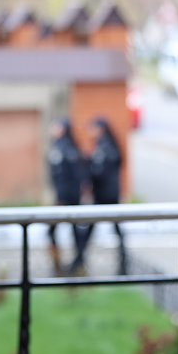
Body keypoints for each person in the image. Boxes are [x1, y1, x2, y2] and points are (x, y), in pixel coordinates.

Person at [46, 117, 89, 275]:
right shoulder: (71, 147)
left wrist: (61, 198)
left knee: (52, 231)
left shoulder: (61, 149)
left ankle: (61, 265)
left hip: (65, 198)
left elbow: (64, 176)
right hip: (72, 196)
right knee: (74, 230)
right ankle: (77, 263)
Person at [85, 117, 125, 275]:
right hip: (109, 193)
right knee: (115, 229)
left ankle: (79, 261)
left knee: (91, 228)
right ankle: (123, 263)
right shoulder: (108, 145)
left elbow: (99, 172)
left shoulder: (104, 147)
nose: (90, 132)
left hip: (104, 195)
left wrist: (87, 168)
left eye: (93, 128)